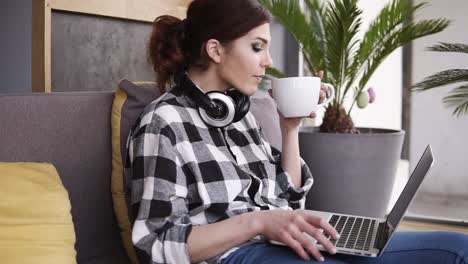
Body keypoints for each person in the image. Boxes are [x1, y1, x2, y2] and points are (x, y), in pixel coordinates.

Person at [125, 0, 468, 263]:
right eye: (257, 47)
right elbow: (154, 243)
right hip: (235, 256)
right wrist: (258, 223)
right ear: (216, 50)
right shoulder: (163, 123)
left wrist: (290, 130)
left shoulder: (237, 113)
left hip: (279, 243)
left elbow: (286, 200)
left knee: (458, 249)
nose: (268, 60)